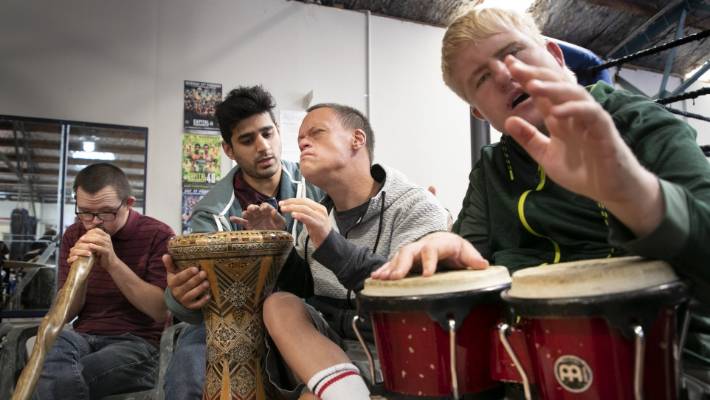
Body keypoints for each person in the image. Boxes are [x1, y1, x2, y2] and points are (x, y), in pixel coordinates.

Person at [371, 4, 710, 393]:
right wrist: (448, 246)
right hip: (526, 362)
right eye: (481, 78)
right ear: (480, 113)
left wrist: (632, 193)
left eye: (512, 53)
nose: (503, 74)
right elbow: (472, 254)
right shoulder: (493, 167)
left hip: (667, 361)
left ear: (554, 55)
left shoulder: (641, 123)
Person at [263, 103, 449, 399]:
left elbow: (408, 296)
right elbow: (299, 288)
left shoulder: (417, 206)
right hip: (328, 352)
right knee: (279, 303)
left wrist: (330, 242)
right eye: (299, 141)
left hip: (392, 350)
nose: (303, 143)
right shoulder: (316, 215)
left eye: (316, 133)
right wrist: (275, 242)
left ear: (357, 140)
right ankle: (344, 390)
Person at [162, 85, 322, 400]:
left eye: (267, 133)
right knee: (189, 365)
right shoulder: (211, 213)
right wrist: (180, 297)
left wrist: (279, 246)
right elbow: (198, 308)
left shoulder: (316, 187)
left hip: (303, 313)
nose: (263, 147)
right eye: (247, 140)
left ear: (278, 132)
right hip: (229, 319)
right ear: (229, 150)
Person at [33, 163, 173, 399]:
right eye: (85, 212)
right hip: (82, 336)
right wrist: (80, 275)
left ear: (129, 203)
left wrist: (113, 264)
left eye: (106, 212)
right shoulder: (74, 234)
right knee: (48, 350)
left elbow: (160, 311)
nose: (94, 222)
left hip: (138, 343)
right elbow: (65, 314)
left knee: (59, 379)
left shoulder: (159, 235)